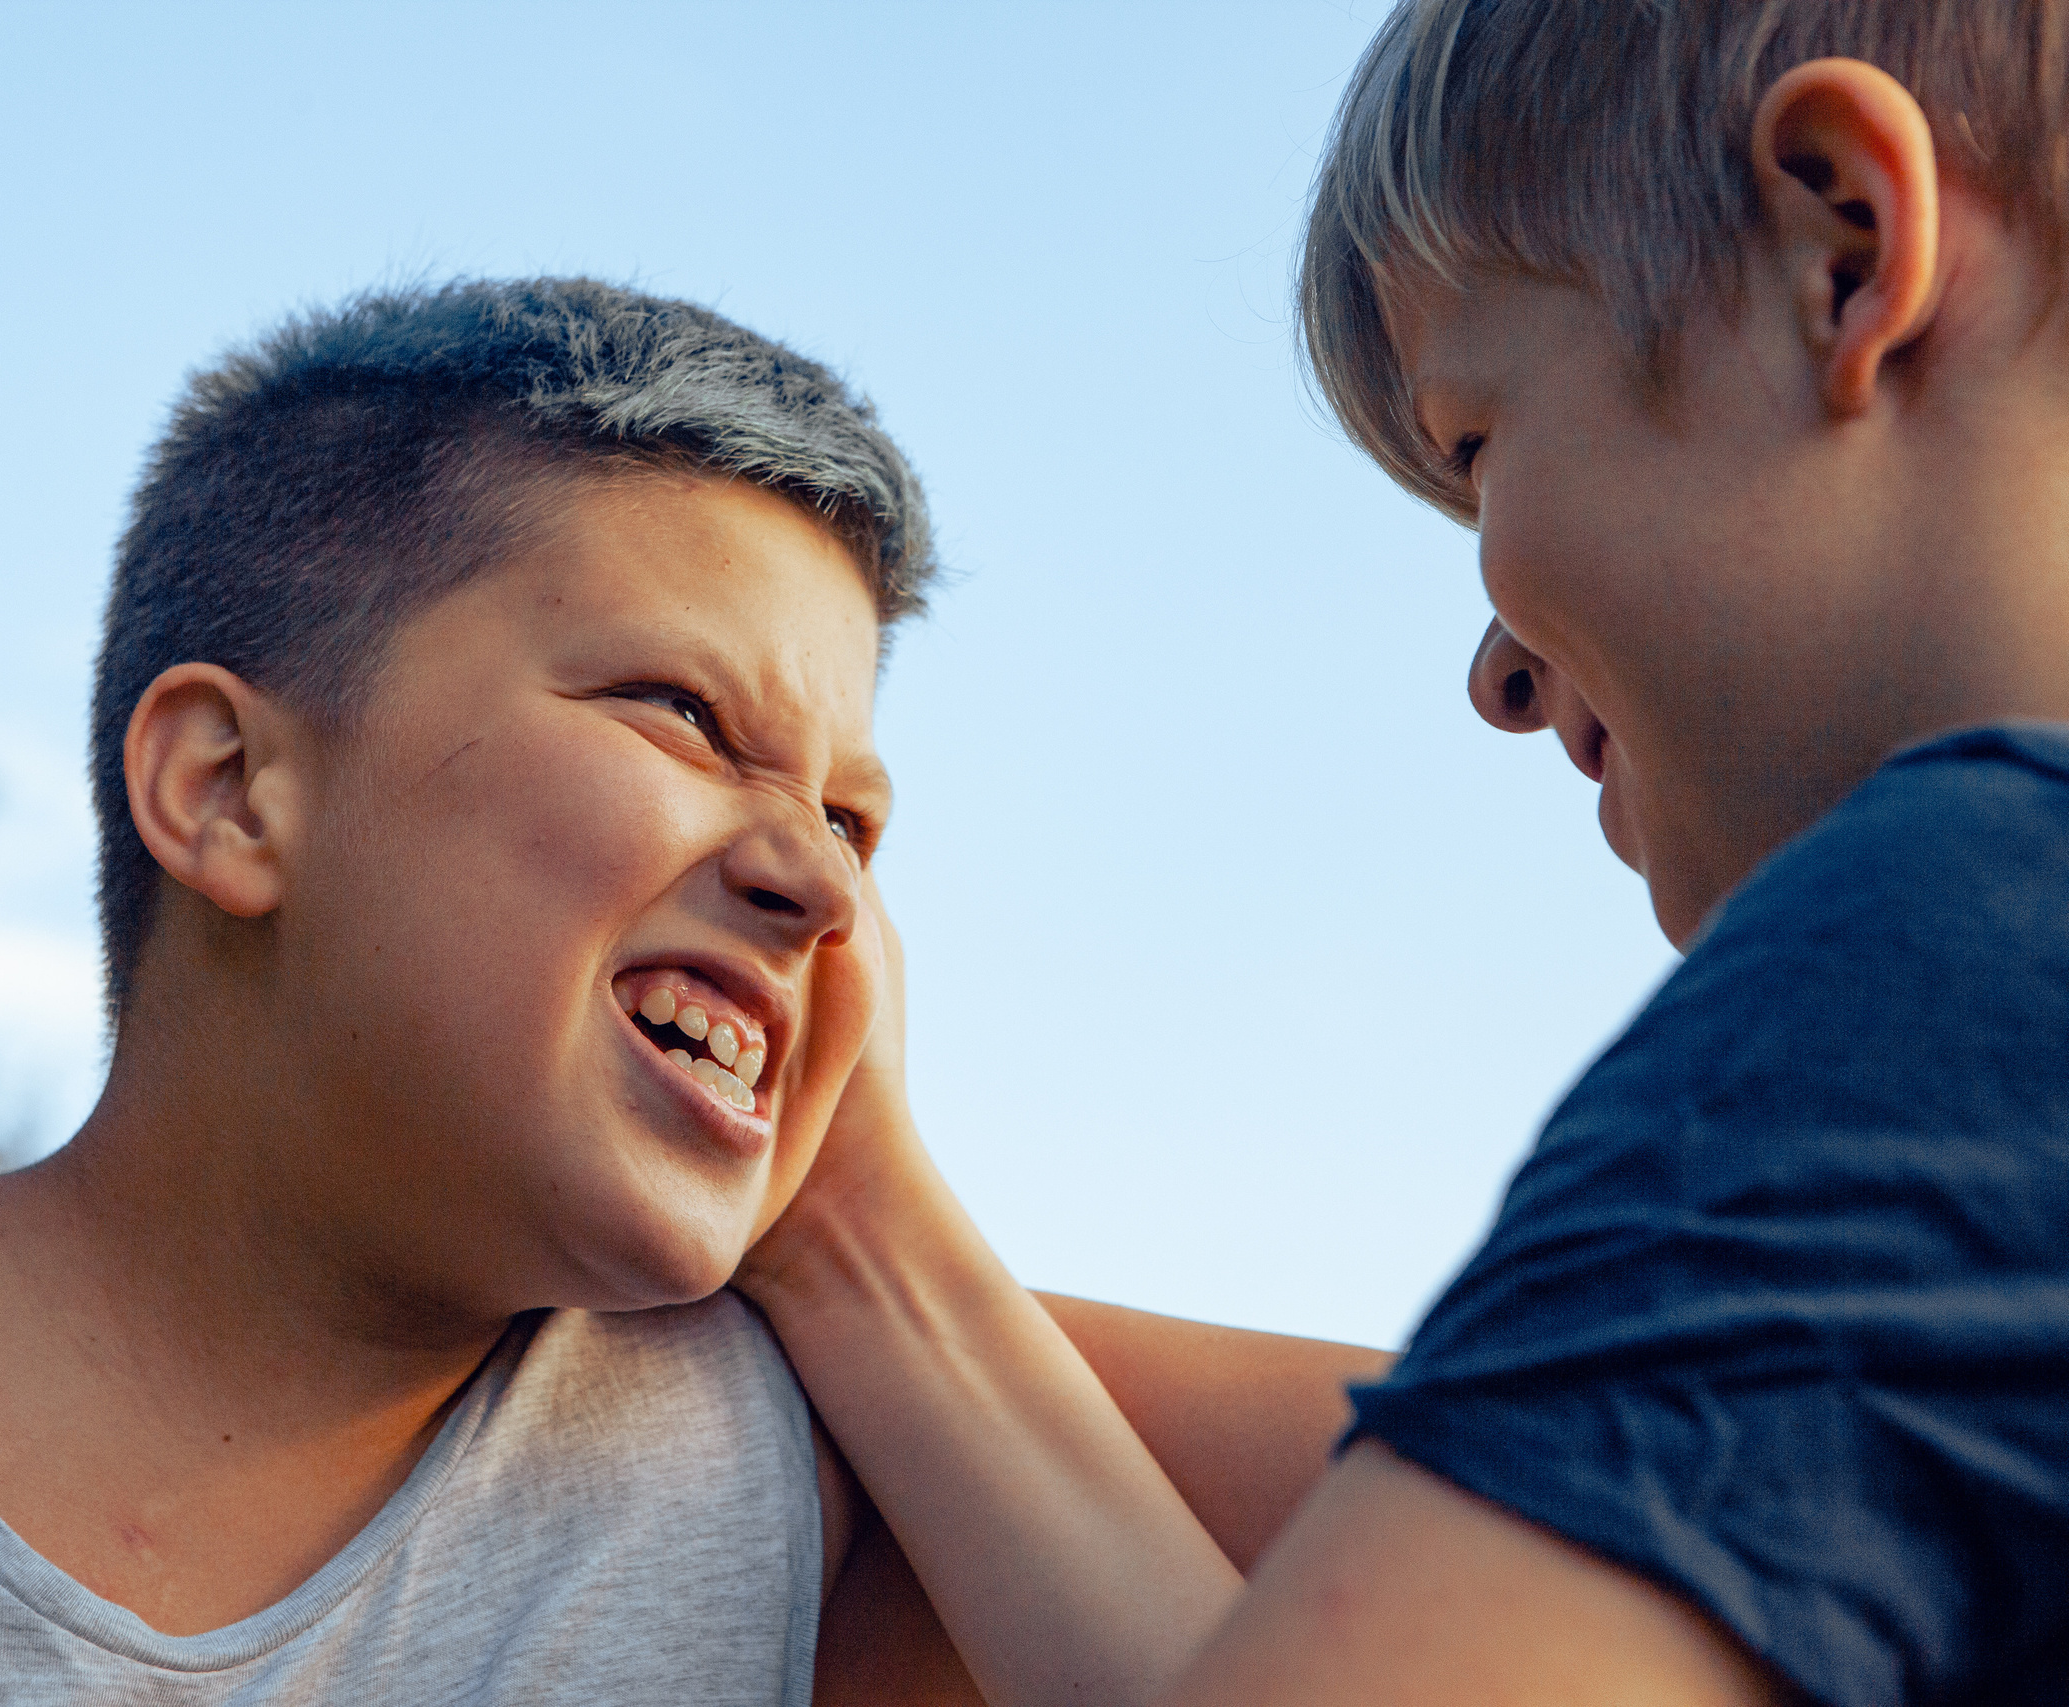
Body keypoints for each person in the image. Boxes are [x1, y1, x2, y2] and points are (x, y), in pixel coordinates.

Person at [0, 276, 1307, 1705]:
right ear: (227, 791)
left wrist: (869, 1243)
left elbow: (1565, 1526)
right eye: (683, 715)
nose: (822, 881)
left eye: (853, 814)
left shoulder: (840, 1467)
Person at [740, 3, 2069, 1703]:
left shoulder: (1939, 956)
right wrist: (852, 1239)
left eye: (1479, 440)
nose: (1495, 674)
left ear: (1845, 247)